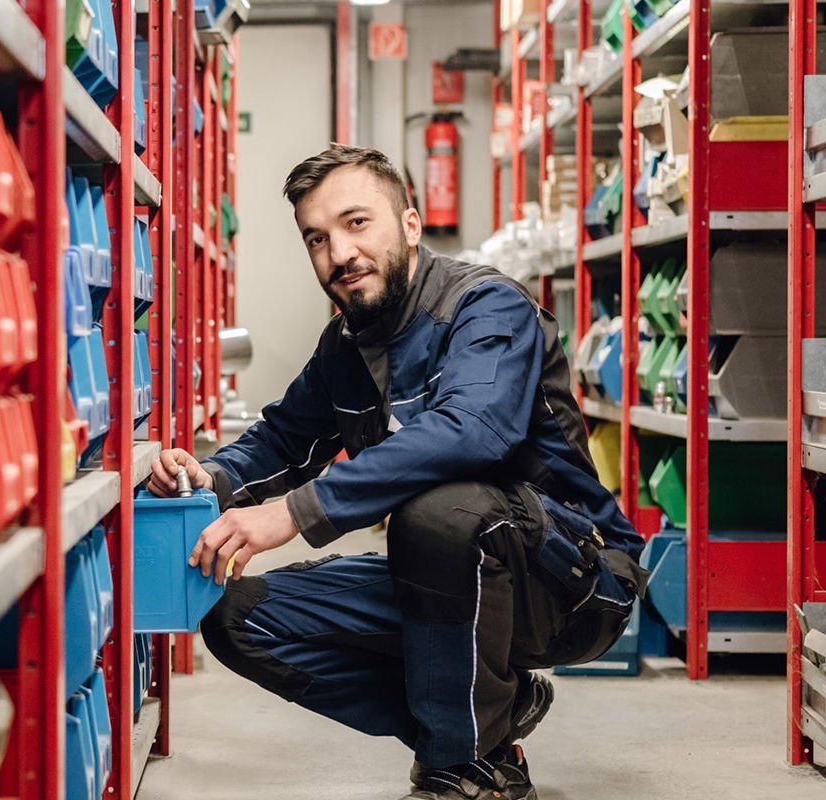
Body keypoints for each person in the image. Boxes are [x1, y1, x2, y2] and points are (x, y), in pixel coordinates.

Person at [145, 144, 647, 800]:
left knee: (441, 508)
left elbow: (470, 431)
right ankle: (491, 721)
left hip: (572, 583)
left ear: (410, 225)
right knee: (237, 618)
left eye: (358, 224)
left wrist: (291, 514)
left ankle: (460, 770)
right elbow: (279, 441)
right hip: (444, 570)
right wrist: (204, 477)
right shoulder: (346, 347)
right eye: (317, 238)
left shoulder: (488, 309)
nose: (340, 254)